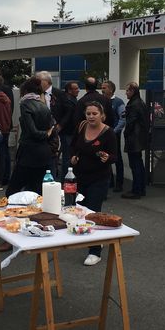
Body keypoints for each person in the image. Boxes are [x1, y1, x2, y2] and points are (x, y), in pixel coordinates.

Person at [70, 101, 117, 266]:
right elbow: (74, 146)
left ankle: (95, 251)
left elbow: (114, 156)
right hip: (80, 177)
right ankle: (91, 238)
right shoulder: (82, 126)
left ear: (102, 115)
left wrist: (107, 158)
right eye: (88, 113)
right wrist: (74, 156)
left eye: (94, 114)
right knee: (80, 211)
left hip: (99, 178)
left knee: (93, 212)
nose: (90, 116)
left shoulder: (108, 132)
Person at [5, 76, 53, 197]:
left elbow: (33, 132)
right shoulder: (43, 105)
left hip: (29, 153)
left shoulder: (25, 104)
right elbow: (50, 127)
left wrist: (45, 133)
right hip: (43, 152)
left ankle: (11, 215)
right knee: (36, 191)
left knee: (12, 191)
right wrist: (48, 133)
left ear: (24, 91)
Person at [121, 82, 148, 199]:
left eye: (127, 90)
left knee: (135, 164)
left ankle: (136, 190)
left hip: (134, 138)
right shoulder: (139, 102)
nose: (126, 93)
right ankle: (141, 188)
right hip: (140, 137)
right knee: (139, 163)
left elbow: (131, 122)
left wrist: (126, 132)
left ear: (132, 91)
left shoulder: (133, 104)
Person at [102, 80, 126, 192]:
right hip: (102, 134)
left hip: (114, 134)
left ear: (111, 89)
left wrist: (114, 131)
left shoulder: (118, 102)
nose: (102, 89)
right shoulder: (101, 101)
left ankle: (119, 183)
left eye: (104, 87)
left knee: (117, 158)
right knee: (105, 158)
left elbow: (123, 119)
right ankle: (109, 181)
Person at [58, 81, 79, 179]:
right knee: (67, 157)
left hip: (68, 132)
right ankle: (66, 179)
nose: (78, 90)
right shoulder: (69, 101)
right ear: (69, 90)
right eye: (75, 88)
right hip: (68, 132)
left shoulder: (70, 99)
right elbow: (68, 117)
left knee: (67, 155)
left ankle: (66, 178)